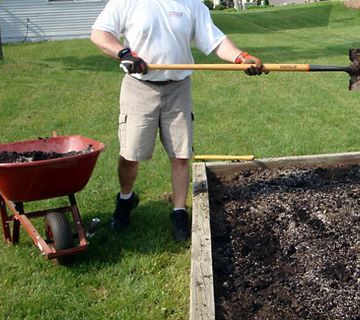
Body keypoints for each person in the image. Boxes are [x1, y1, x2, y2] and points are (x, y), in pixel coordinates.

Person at [90, 0, 266, 241]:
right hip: (139, 87)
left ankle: (179, 212)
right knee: (130, 154)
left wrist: (240, 56)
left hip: (178, 89)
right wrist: (124, 53)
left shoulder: (192, 4)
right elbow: (100, 34)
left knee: (180, 155)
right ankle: (125, 199)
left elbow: (214, 39)